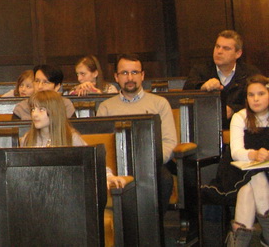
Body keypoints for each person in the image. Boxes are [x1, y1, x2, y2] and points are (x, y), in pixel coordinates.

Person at [97, 53, 177, 213]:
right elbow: (101, 145)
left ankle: (155, 226)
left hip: (152, 163)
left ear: (142, 75)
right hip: (116, 165)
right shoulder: (105, 107)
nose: (130, 78)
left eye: (134, 72)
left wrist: (150, 161)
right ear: (116, 77)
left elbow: (169, 142)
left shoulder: (160, 104)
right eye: (124, 73)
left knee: (164, 180)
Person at [202, 75, 269, 246]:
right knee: (255, 178)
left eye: (261, 94)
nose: (255, 99)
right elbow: (236, 152)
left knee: (249, 188)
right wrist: (254, 154)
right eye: (251, 95)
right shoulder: (240, 116)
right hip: (238, 171)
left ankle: (238, 243)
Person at [21, 90, 126, 189]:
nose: (34, 114)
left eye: (41, 109)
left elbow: (93, 162)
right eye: (33, 109)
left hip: (66, 189)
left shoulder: (71, 138)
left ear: (54, 112)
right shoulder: (27, 139)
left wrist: (108, 176)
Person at [183, 30, 262, 123]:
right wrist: (202, 86)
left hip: (242, 124)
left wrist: (234, 109)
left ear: (238, 53)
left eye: (226, 48)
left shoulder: (250, 73)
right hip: (208, 124)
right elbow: (185, 93)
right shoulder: (201, 70)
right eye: (217, 46)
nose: (219, 51)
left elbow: (260, 101)